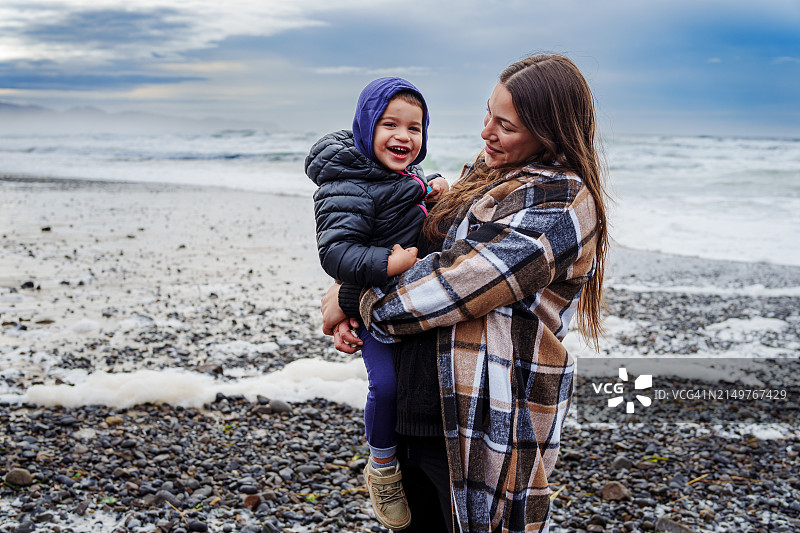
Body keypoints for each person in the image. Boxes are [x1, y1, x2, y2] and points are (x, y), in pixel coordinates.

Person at [321, 54, 609, 533]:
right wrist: (347, 283)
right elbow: (410, 244)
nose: (486, 133)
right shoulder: (489, 170)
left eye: (506, 126)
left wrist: (352, 300)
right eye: (488, 115)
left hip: (481, 416)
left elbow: (452, 285)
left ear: (551, 131)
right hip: (418, 404)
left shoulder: (560, 203)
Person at [305, 76, 449, 531]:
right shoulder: (345, 183)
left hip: (392, 302)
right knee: (384, 386)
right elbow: (335, 251)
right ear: (367, 126)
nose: (404, 137)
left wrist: (432, 189)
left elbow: (404, 202)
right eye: (391, 125)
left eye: (415, 128)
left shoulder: (398, 177)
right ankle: (382, 466)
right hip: (375, 303)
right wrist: (387, 262)